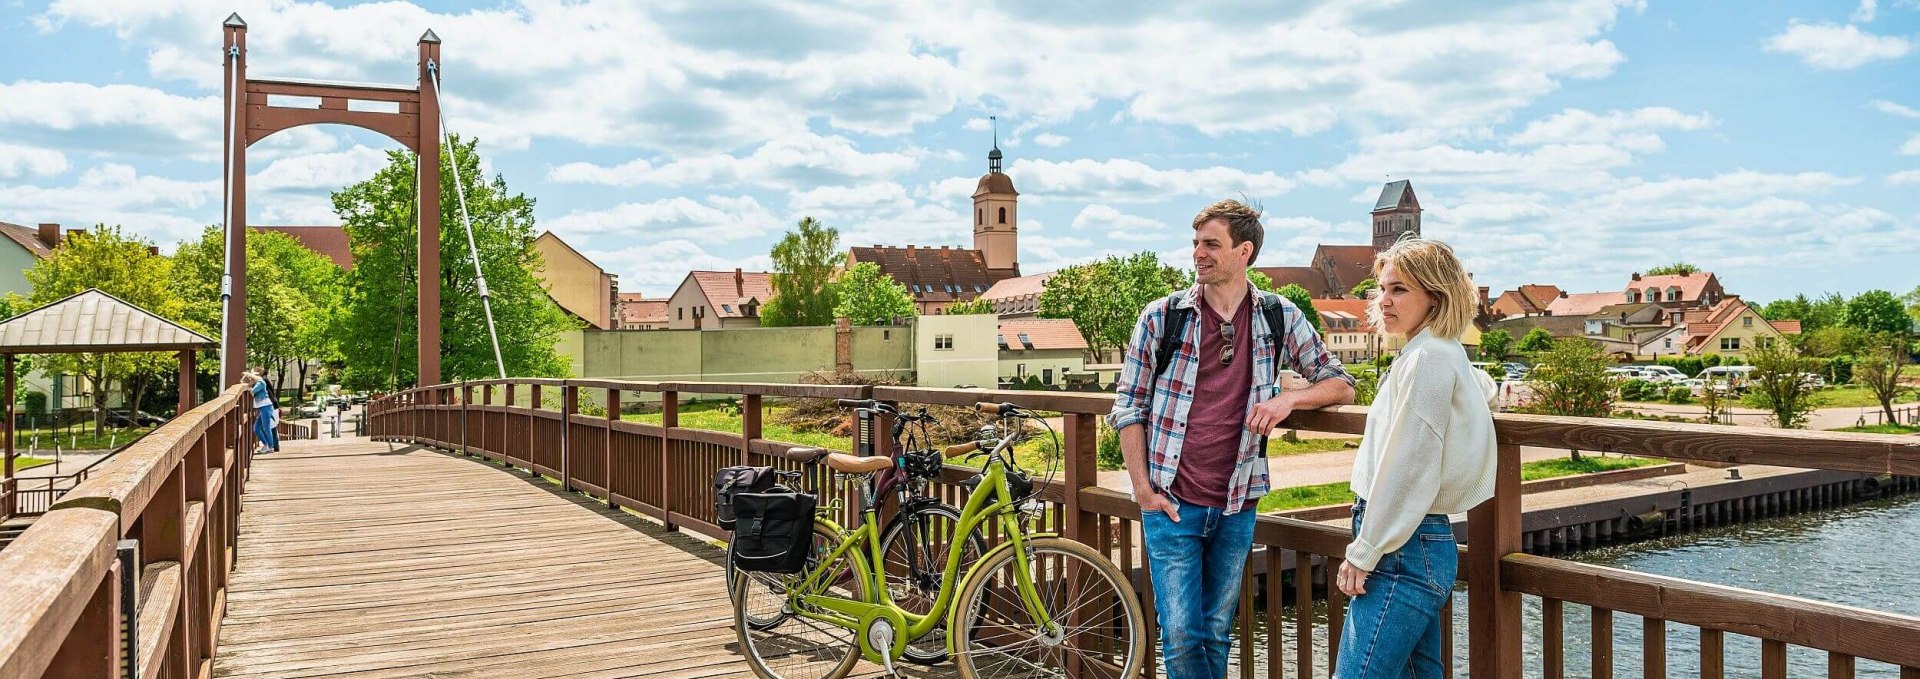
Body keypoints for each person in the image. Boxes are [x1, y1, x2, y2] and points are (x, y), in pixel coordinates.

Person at [1106, 199, 1356, 679]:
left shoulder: (1278, 316)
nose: (1198, 253)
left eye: (1210, 244)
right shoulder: (1163, 317)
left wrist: (1287, 401)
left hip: (1238, 502)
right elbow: (1129, 405)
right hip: (1172, 500)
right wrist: (1143, 489)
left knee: (1217, 630)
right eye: (1196, 243)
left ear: (1244, 252)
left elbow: (1341, 381)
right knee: (1180, 635)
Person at [1334, 238, 1498, 678]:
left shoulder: (1428, 357)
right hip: (1414, 542)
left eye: (1400, 290)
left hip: (1401, 546)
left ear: (1436, 295)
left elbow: (1411, 462)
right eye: (1382, 289)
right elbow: (1472, 389)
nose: (1384, 301)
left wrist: (1364, 551)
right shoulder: (1438, 352)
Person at [246, 371, 281, 454]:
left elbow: (253, 391)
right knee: (256, 428)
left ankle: (270, 447)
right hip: (264, 407)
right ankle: (266, 445)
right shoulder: (259, 383)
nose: (250, 379)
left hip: (266, 407)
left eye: (252, 377)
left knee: (266, 428)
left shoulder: (261, 383)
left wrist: (250, 386)